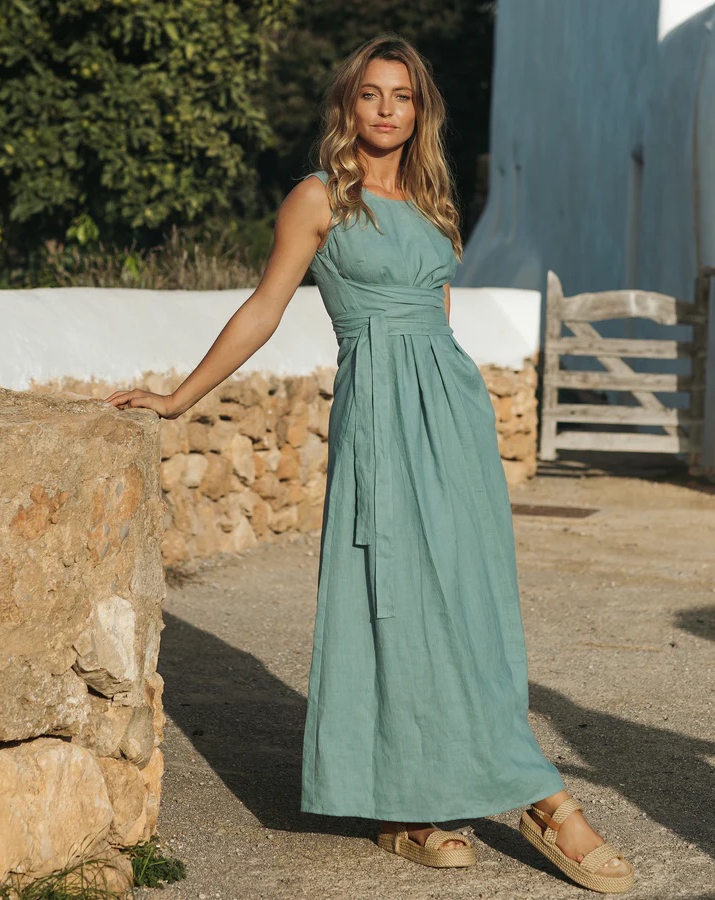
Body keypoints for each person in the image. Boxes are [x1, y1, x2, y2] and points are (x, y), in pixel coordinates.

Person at [105, 33, 634, 895]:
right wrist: (179, 397)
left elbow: (442, 320)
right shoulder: (318, 199)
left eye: (404, 96)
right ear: (347, 105)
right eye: (371, 95)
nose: (387, 109)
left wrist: (457, 407)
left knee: (472, 599)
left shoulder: (431, 199)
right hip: (381, 410)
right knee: (397, 596)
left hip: (450, 415)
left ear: (420, 110)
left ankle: (455, 790)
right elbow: (265, 307)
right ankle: (510, 800)